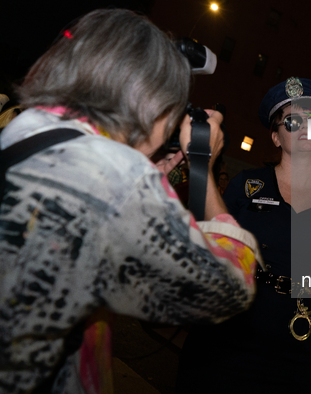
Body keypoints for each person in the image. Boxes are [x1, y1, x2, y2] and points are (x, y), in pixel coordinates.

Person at [0, 9, 260, 394]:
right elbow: (226, 290)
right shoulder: (117, 177)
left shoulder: (22, 132)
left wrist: (145, 172)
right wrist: (202, 163)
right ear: (154, 104)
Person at [177, 77, 311, 393]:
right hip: (231, 334)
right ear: (277, 137)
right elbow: (209, 237)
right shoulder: (248, 184)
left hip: (297, 348)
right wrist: (200, 165)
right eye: (293, 121)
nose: (306, 126)